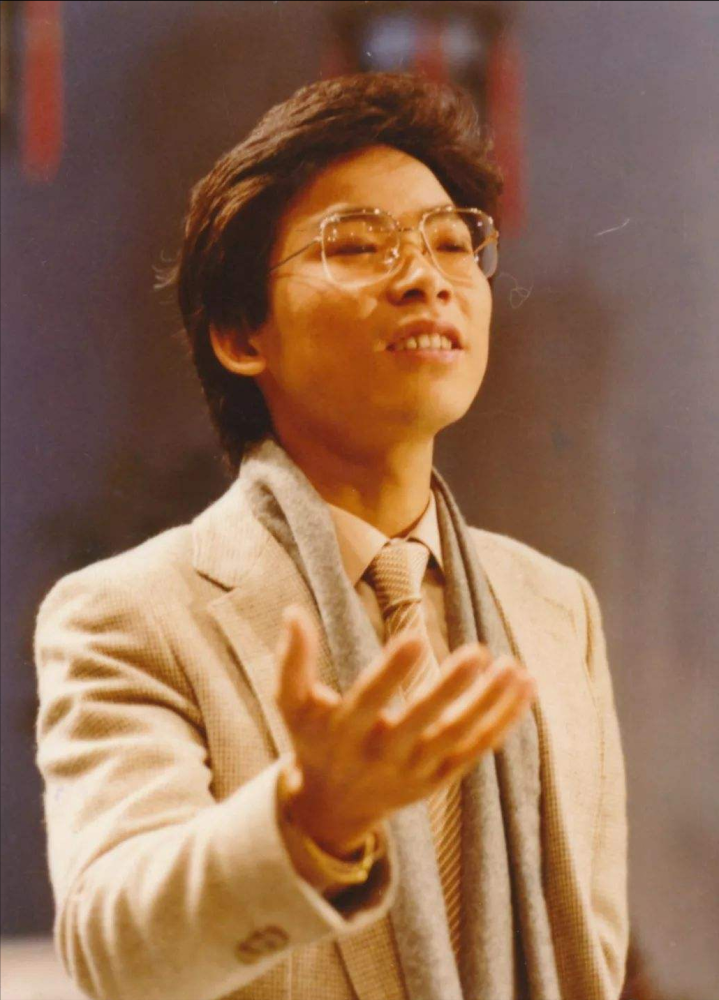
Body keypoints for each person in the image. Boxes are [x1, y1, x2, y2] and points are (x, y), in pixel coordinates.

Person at [33, 72, 628, 1000]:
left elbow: (588, 951)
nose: (425, 277)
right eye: (355, 244)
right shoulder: (130, 615)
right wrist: (310, 821)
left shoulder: (555, 608)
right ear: (241, 335)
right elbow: (120, 954)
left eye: (450, 242)